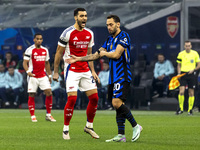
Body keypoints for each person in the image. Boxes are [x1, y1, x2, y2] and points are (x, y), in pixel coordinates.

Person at [66, 15, 142, 142]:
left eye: (111, 24)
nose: (109, 27)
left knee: (116, 103)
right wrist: (78, 59)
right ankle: (120, 135)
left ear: (118, 24)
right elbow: (96, 55)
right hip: (113, 77)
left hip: (122, 75)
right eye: (107, 25)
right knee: (118, 105)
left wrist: (105, 53)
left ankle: (136, 126)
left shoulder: (123, 36)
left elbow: (117, 55)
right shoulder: (109, 39)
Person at [53, 8, 100, 140]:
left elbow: (89, 54)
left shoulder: (90, 33)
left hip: (85, 69)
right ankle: (66, 129)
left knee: (95, 98)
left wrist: (93, 70)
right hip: (72, 70)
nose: (84, 18)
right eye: (81, 16)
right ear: (75, 17)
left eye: (85, 16)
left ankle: (89, 126)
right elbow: (58, 53)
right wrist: (56, 72)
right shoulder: (67, 33)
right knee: (72, 99)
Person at [23, 33, 56, 122]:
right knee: (32, 94)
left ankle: (48, 115)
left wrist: (49, 75)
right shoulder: (29, 50)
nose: (39, 40)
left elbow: (47, 63)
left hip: (43, 75)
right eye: (37, 39)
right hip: (33, 76)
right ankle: (33, 116)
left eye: (41, 39)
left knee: (49, 93)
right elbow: (24, 63)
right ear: (34, 39)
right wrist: (28, 72)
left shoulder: (45, 50)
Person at [176, 41, 200, 115]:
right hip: (183, 74)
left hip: (192, 74)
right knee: (181, 91)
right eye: (186, 46)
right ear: (184, 46)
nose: (187, 47)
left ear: (191, 46)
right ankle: (181, 109)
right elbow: (179, 65)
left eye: (189, 46)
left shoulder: (195, 53)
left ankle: (190, 110)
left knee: (191, 93)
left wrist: (194, 69)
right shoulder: (181, 54)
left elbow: (199, 65)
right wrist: (179, 73)